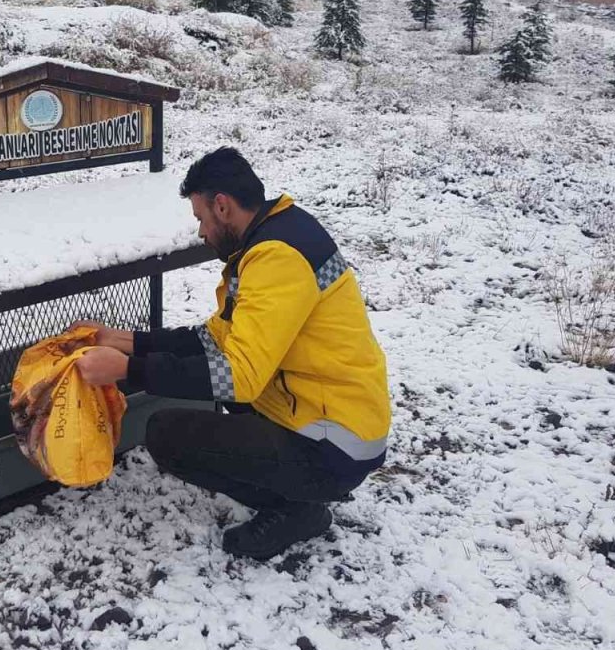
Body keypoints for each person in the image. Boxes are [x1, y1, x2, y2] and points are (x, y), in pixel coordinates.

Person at [76, 147, 392, 560]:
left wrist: (129, 370)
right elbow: (218, 338)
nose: (202, 233)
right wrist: (130, 341)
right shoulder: (280, 232)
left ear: (222, 206)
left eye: (201, 219)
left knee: (166, 435)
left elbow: (240, 378)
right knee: (218, 386)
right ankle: (300, 488)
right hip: (333, 416)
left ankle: (296, 508)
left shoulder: (276, 259)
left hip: (334, 445)